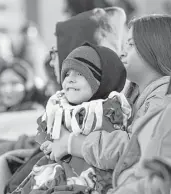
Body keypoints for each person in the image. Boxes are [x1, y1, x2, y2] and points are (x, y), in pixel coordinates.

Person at [45, 14, 171, 194]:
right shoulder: (131, 92)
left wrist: (71, 143)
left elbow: (132, 148)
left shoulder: (163, 99)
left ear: (155, 47)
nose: (122, 52)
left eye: (131, 44)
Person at [30, 42, 132, 193]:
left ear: (103, 80)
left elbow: (109, 149)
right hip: (62, 173)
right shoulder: (61, 107)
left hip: (92, 180)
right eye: (67, 74)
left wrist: (67, 144)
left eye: (80, 73)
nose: (70, 79)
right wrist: (52, 144)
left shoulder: (106, 112)